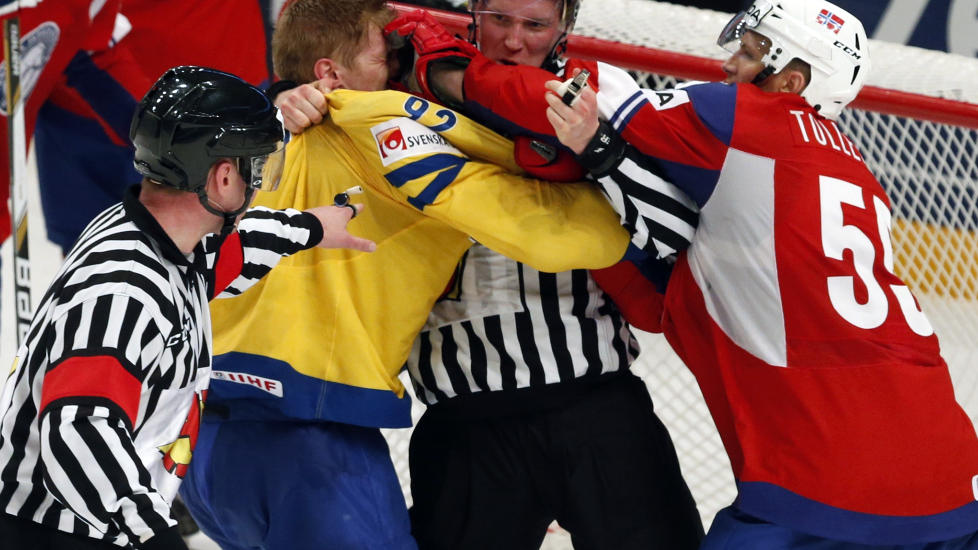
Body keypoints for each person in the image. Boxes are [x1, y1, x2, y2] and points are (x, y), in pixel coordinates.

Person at [177, 1, 638, 549]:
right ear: (329, 73)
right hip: (307, 433)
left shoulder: (241, 140)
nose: (404, 68)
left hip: (201, 439)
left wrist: (277, 93)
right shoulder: (382, 122)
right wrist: (601, 172)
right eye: (390, 55)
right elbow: (575, 235)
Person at [544, 0, 978, 547]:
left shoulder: (744, 128)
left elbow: (601, 98)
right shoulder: (859, 176)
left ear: (792, 82)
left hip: (824, 477)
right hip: (950, 475)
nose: (728, 64)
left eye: (750, 54)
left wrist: (462, 60)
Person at [0, 66, 374, 550]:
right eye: (257, 169)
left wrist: (312, 227)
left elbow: (229, 254)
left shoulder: (160, 235)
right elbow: (78, 433)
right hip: (56, 532)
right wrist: (155, 537)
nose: (260, 184)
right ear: (222, 177)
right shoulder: (122, 292)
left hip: (95, 521)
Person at [380, 3, 704, 549]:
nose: (513, 41)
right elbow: (315, 84)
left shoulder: (593, 99)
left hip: (594, 405)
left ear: (564, 30)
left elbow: (671, 225)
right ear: (472, 15)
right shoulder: (397, 95)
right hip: (464, 419)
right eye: (500, 19)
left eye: (535, 25)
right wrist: (289, 94)